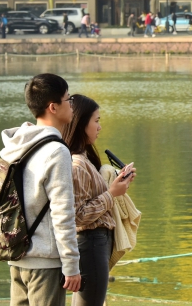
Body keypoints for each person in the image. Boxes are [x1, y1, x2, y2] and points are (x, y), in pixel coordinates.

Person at [2, 74, 81, 306]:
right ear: (53, 107)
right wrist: (71, 266)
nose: (72, 105)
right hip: (45, 263)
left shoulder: (16, 146)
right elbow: (63, 214)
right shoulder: (56, 152)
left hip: (17, 258)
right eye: (69, 99)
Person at [63, 95, 135, 306]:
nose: (99, 127)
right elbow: (80, 216)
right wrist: (112, 193)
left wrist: (117, 182)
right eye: (96, 120)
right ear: (80, 123)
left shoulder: (84, 158)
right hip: (91, 243)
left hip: (95, 243)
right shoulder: (77, 164)